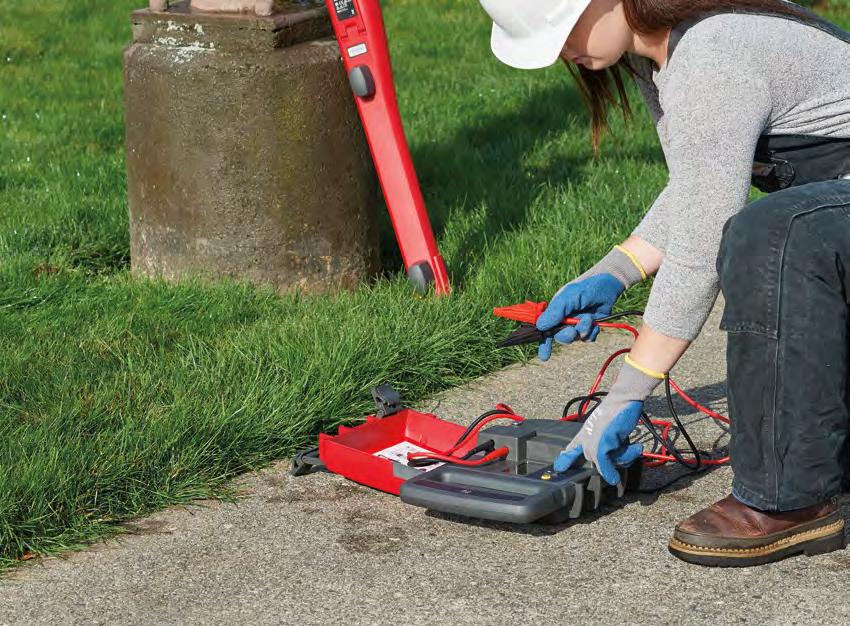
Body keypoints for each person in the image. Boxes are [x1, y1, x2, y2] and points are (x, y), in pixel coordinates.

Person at [478, 0, 850, 567]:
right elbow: (703, 182)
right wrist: (615, 269)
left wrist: (628, 392)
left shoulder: (711, 56)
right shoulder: (663, 55)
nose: (560, 54)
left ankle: (788, 500)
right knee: (780, 228)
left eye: (557, 33)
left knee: (774, 236)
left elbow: (704, 244)